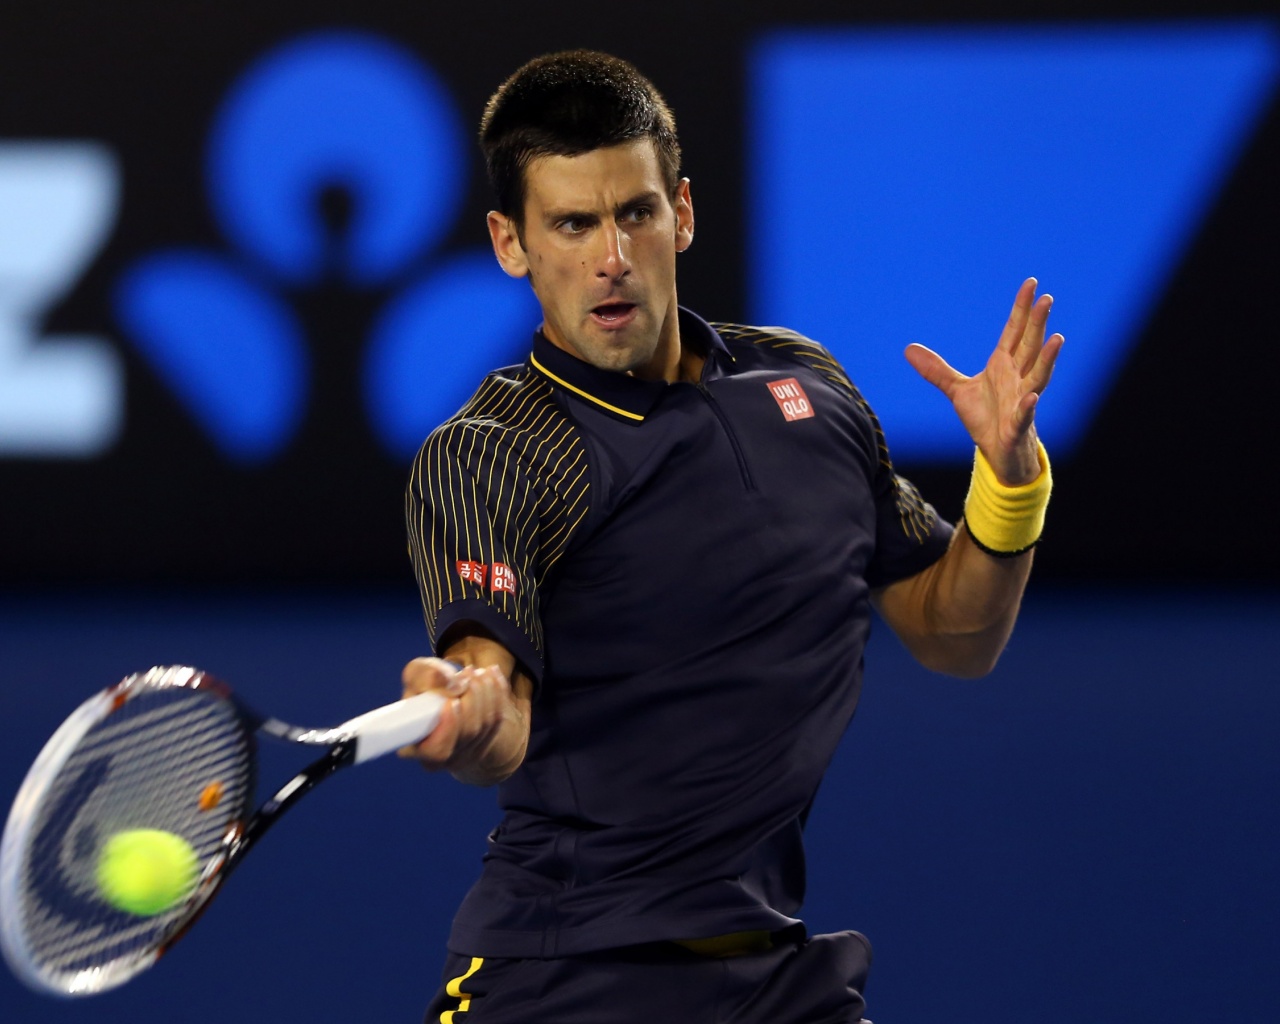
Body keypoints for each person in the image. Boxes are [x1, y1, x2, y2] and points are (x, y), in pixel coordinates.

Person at [399, 49, 1061, 1023]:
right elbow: (495, 697)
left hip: (773, 977)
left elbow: (951, 632)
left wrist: (1006, 483)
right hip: (560, 981)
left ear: (683, 213)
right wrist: (470, 704)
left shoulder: (806, 388)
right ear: (510, 243)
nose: (610, 258)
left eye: (635, 213)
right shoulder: (491, 454)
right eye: (572, 225)